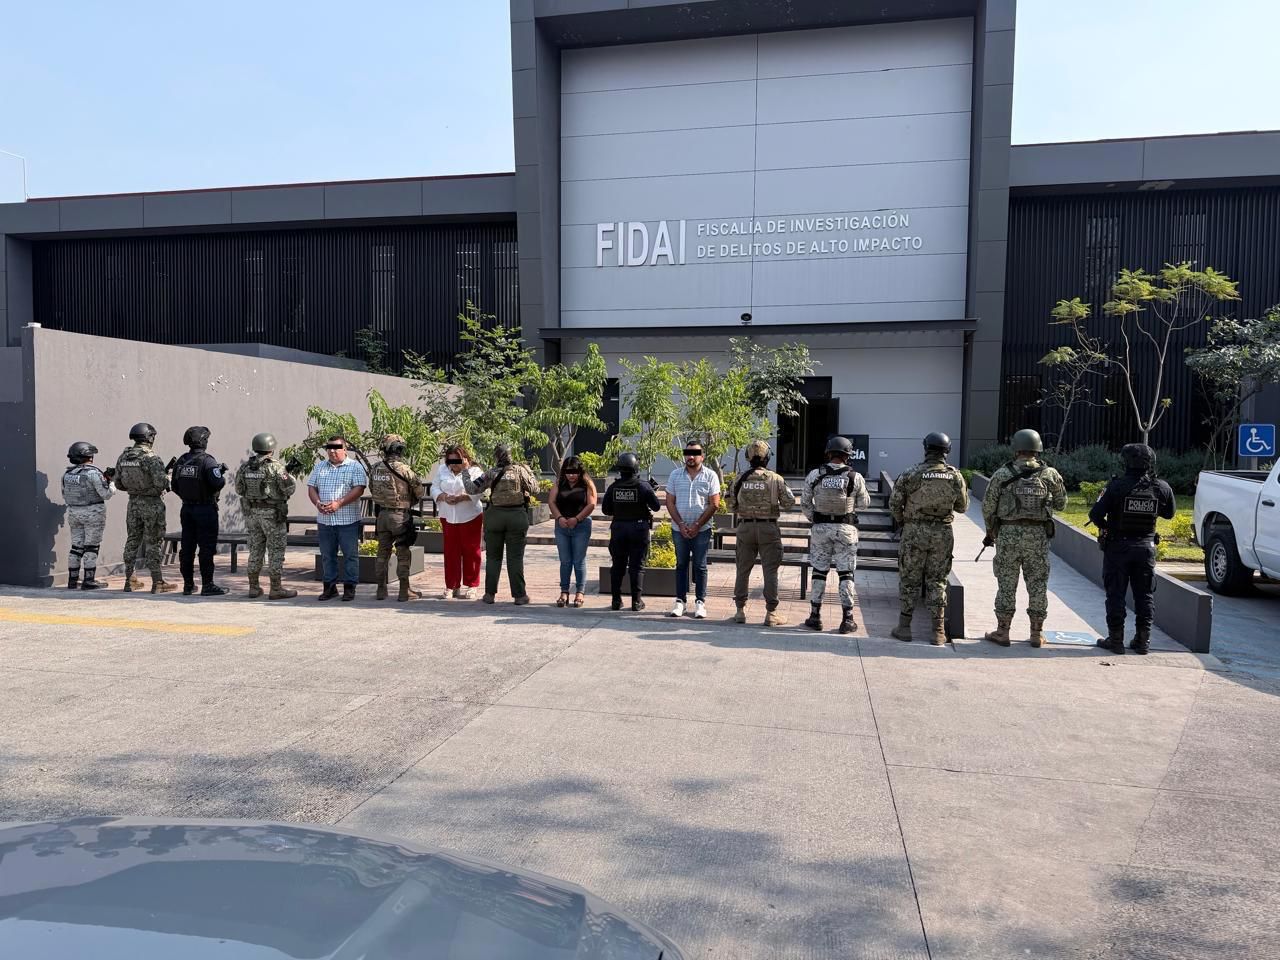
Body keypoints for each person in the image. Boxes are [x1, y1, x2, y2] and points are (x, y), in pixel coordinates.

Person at [982, 428, 1067, 647]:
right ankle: (1036, 633)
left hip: (1008, 535)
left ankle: (1003, 631)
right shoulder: (1049, 474)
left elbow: (988, 507)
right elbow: (1062, 504)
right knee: (1038, 584)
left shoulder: (1002, 474)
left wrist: (991, 531)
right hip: (1038, 537)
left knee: (1006, 583)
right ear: (1038, 449)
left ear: (1016, 448)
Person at [1089, 443, 1175, 655]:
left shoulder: (1115, 486)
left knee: (1115, 594)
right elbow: (1169, 513)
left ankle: (1116, 640)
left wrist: (1108, 527)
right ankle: (1143, 641)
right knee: (1144, 595)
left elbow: (1095, 515)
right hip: (1145, 548)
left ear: (1126, 462)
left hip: (1118, 547)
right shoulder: (1161, 487)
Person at [888, 431, 969, 645]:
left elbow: (894, 504)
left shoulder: (911, 473)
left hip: (914, 532)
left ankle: (904, 627)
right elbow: (962, 507)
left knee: (909, 579)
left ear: (926, 449)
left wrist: (904, 522)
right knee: (938, 581)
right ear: (947, 450)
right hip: (942, 533)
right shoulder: (955, 476)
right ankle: (938, 631)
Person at [801, 436, 871, 635]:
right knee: (846, 574)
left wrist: (815, 519)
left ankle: (815, 616)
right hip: (846, 530)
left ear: (828, 453)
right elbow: (864, 504)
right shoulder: (855, 477)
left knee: (819, 572)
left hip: (821, 530)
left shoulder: (815, 475)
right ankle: (847, 619)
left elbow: (805, 502)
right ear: (847, 455)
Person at [730, 439, 796, 626]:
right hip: (768, 529)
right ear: (767, 457)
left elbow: (730, 504)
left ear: (748, 457)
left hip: (745, 528)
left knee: (742, 570)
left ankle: (740, 611)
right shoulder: (775, 478)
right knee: (770, 572)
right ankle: (771, 613)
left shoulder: (740, 478)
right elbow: (789, 503)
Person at [464, 442, 539, 604]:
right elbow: (535, 489)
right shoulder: (520, 470)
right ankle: (519, 596)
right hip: (517, 517)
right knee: (515, 558)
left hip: (495, 517)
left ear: (496, 456)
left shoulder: (491, 473)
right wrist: (529, 471)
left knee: (493, 558)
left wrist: (465, 471)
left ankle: (489, 595)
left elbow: (471, 489)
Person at [114, 422, 176, 594]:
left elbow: (118, 483)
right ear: (149, 437)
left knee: (132, 539)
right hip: (152, 504)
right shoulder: (151, 458)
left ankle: (129, 580)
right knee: (153, 542)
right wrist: (169, 477)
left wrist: (136, 488)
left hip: (133, 503)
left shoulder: (123, 457)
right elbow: (161, 483)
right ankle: (158, 582)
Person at [235, 432, 298, 600]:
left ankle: (253, 587)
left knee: (255, 549)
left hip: (252, 515)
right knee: (276, 550)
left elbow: (239, 489)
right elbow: (289, 488)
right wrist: (289, 474)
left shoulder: (245, 467)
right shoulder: (276, 467)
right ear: (271, 448)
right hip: (272, 515)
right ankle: (276, 589)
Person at [307, 435, 368, 602]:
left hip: (347, 521)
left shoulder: (355, 467)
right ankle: (330, 587)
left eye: (336, 447)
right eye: (329, 448)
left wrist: (339, 503)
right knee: (327, 555)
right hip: (325, 521)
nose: (332, 451)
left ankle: (349, 588)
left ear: (345, 449)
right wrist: (318, 503)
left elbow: (359, 489)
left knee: (350, 555)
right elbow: (311, 487)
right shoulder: (320, 466)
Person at [367, 433, 427, 602]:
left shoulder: (375, 468)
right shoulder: (404, 469)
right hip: (400, 516)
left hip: (382, 516)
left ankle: (381, 589)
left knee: (382, 553)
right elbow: (419, 491)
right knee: (403, 553)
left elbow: (372, 488)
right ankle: (403, 591)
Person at [665, 440, 721, 619]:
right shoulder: (675, 475)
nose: (690, 457)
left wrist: (697, 525)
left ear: (702, 456)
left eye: (695, 453)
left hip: (702, 530)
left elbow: (715, 504)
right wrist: (681, 524)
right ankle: (680, 601)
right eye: (688, 453)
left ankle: (700, 602)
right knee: (681, 564)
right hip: (679, 529)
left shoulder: (710, 476)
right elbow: (669, 502)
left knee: (700, 566)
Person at [171, 426, 228, 597]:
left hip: (187, 509)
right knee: (206, 548)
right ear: (203, 441)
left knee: (187, 547)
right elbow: (218, 483)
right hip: (205, 509)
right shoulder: (208, 461)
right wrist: (220, 476)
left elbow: (174, 486)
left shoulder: (181, 461)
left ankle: (188, 585)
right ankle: (207, 585)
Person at [602, 451, 661, 611]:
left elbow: (606, 510)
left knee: (617, 565)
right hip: (639, 528)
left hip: (619, 528)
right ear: (636, 467)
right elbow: (656, 507)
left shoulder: (613, 487)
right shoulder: (643, 486)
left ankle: (616, 601)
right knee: (637, 566)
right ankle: (636, 601)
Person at [61, 441, 116, 590]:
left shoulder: (67, 474)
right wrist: (111, 482)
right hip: (93, 513)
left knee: (76, 547)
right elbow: (106, 494)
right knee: (91, 547)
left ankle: (72, 581)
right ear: (89, 456)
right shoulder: (93, 473)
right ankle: (89, 580)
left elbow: (64, 494)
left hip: (74, 513)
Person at [433, 444, 484, 599]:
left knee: (471, 551)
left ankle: (472, 584)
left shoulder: (475, 471)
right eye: (451, 461)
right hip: (448, 516)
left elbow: (478, 491)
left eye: (457, 461)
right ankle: (452, 585)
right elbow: (434, 488)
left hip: (470, 516)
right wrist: (444, 497)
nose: (454, 465)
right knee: (451, 552)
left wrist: (462, 497)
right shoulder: (442, 470)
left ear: (465, 458)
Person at [550, 456, 597, 608]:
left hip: (581, 526)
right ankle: (564, 592)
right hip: (562, 526)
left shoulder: (587, 484)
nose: (571, 475)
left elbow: (592, 504)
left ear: (580, 471)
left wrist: (577, 519)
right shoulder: (559, 483)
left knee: (579, 560)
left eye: (574, 472)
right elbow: (551, 501)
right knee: (565, 561)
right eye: (568, 472)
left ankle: (580, 592)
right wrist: (559, 517)